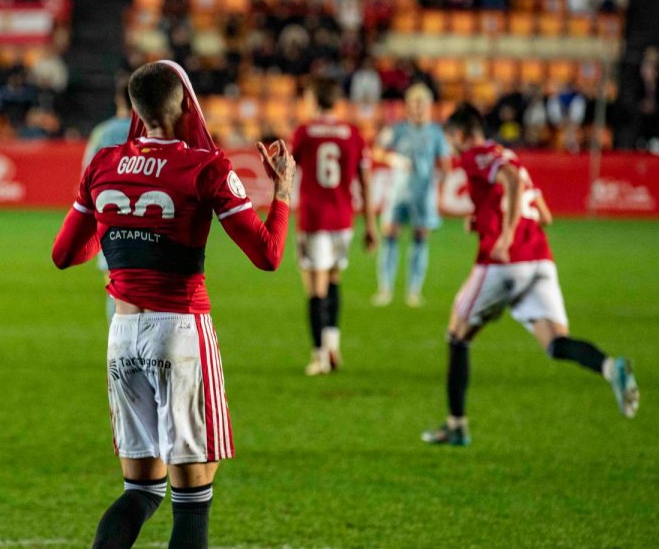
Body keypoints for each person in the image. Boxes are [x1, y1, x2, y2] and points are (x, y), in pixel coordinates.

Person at [51, 60, 292, 548]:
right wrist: (283, 190)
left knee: (141, 491)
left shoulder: (103, 162)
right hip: (179, 332)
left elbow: (64, 255)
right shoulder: (206, 166)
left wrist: (118, 231)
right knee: (192, 499)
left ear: (135, 109)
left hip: (122, 335)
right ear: (185, 106)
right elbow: (268, 255)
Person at [422, 104, 639, 447]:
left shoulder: (476, 156)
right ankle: (611, 368)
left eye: (451, 139)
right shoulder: (510, 156)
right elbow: (544, 215)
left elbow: (507, 179)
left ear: (461, 135)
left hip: (504, 263)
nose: (451, 146)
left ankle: (456, 425)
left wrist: (505, 234)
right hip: (540, 261)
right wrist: (485, 219)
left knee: (457, 335)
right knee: (555, 343)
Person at [290, 78, 376, 376]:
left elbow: (286, 168)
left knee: (315, 285)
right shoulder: (353, 133)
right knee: (335, 278)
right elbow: (365, 181)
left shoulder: (305, 132)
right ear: (338, 102)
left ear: (314, 101)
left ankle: (319, 356)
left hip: (315, 219)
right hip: (343, 219)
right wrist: (371, 225)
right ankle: (333, 346)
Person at [373, 83, 449, 307]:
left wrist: (439, 187)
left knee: (420, 237)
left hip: (423, 194)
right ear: (407, 106)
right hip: (398, 192)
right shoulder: (397, 129)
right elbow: (376, 150)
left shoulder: (436, 132)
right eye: (414, 104)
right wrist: (392, 159)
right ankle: (385, 289)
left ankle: (414, 291)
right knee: (390, 234)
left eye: (421, 104)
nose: (417, 108)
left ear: (429, 106)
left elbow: (445, 163)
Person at [82, 78, 134, 323]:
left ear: (118, 99)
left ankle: (118, 342)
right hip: (154, 220)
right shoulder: (154, 133)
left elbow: (86, 180)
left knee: (116, 291)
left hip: (112, 221)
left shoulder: (103, 133)